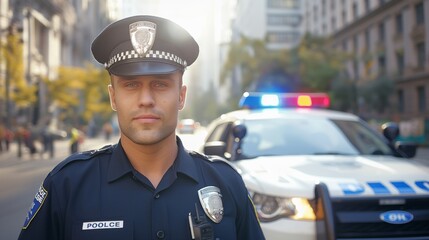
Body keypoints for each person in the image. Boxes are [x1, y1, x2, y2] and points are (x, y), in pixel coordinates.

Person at [18, 15, 265, 240]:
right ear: (113, 97)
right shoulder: (67, 185)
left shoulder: (226, 183)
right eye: (131, 85)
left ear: (181, 96)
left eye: (160, 84)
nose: (146, 99)